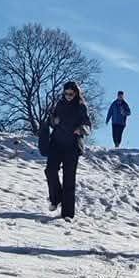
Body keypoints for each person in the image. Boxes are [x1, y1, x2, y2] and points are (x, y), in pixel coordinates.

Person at [43, 81, 91, 219]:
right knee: (50, 170)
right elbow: (51, 120)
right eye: (66, 93)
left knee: (69, 179)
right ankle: (56, 198)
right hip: (56, 143)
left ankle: (67, 214)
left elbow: (88, 125)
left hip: (72, 146)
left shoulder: (81, 107)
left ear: (76, 93)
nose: (68, 96)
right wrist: (54, 121)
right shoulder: (59, 104)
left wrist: (80, 129)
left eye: (71, 94)